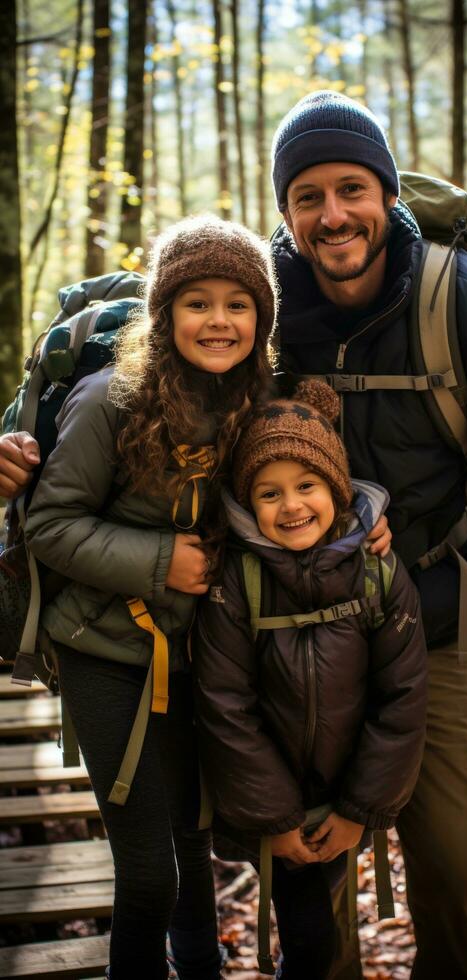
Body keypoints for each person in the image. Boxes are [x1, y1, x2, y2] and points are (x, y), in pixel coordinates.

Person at [267, 90, 467, 979]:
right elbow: (154, 413)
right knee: (310, 882)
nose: (332, 215)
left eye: (352, 189)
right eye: (306, 196)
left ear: (388, 194)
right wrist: (29, 454)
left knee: (450, 871)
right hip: (292, 633)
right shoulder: (254, 312)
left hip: (428, 616)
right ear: (284, 210)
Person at [21, 214, 279, 980]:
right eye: (196, 301)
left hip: (202, 658)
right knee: (149, 875)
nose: (218, 320)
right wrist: (162, 560)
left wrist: (362, 524)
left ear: (260, 318)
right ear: (164, 313)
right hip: (104, 652)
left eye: (238, 303)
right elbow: (49, 523)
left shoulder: (260, 402)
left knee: (192, 847)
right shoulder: (111, 399)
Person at [193, 378, 427, 980]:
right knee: (310, 941)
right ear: (248, 502)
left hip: (345, 794)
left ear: (336, 488)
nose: (292, 506)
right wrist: (277, 819)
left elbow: (401, 698)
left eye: (307, 486)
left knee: (321, 933)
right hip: (282, 805)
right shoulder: (236, 584)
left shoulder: (377, 574)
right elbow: (225, 705)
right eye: (269, 493)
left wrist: (359, 809)